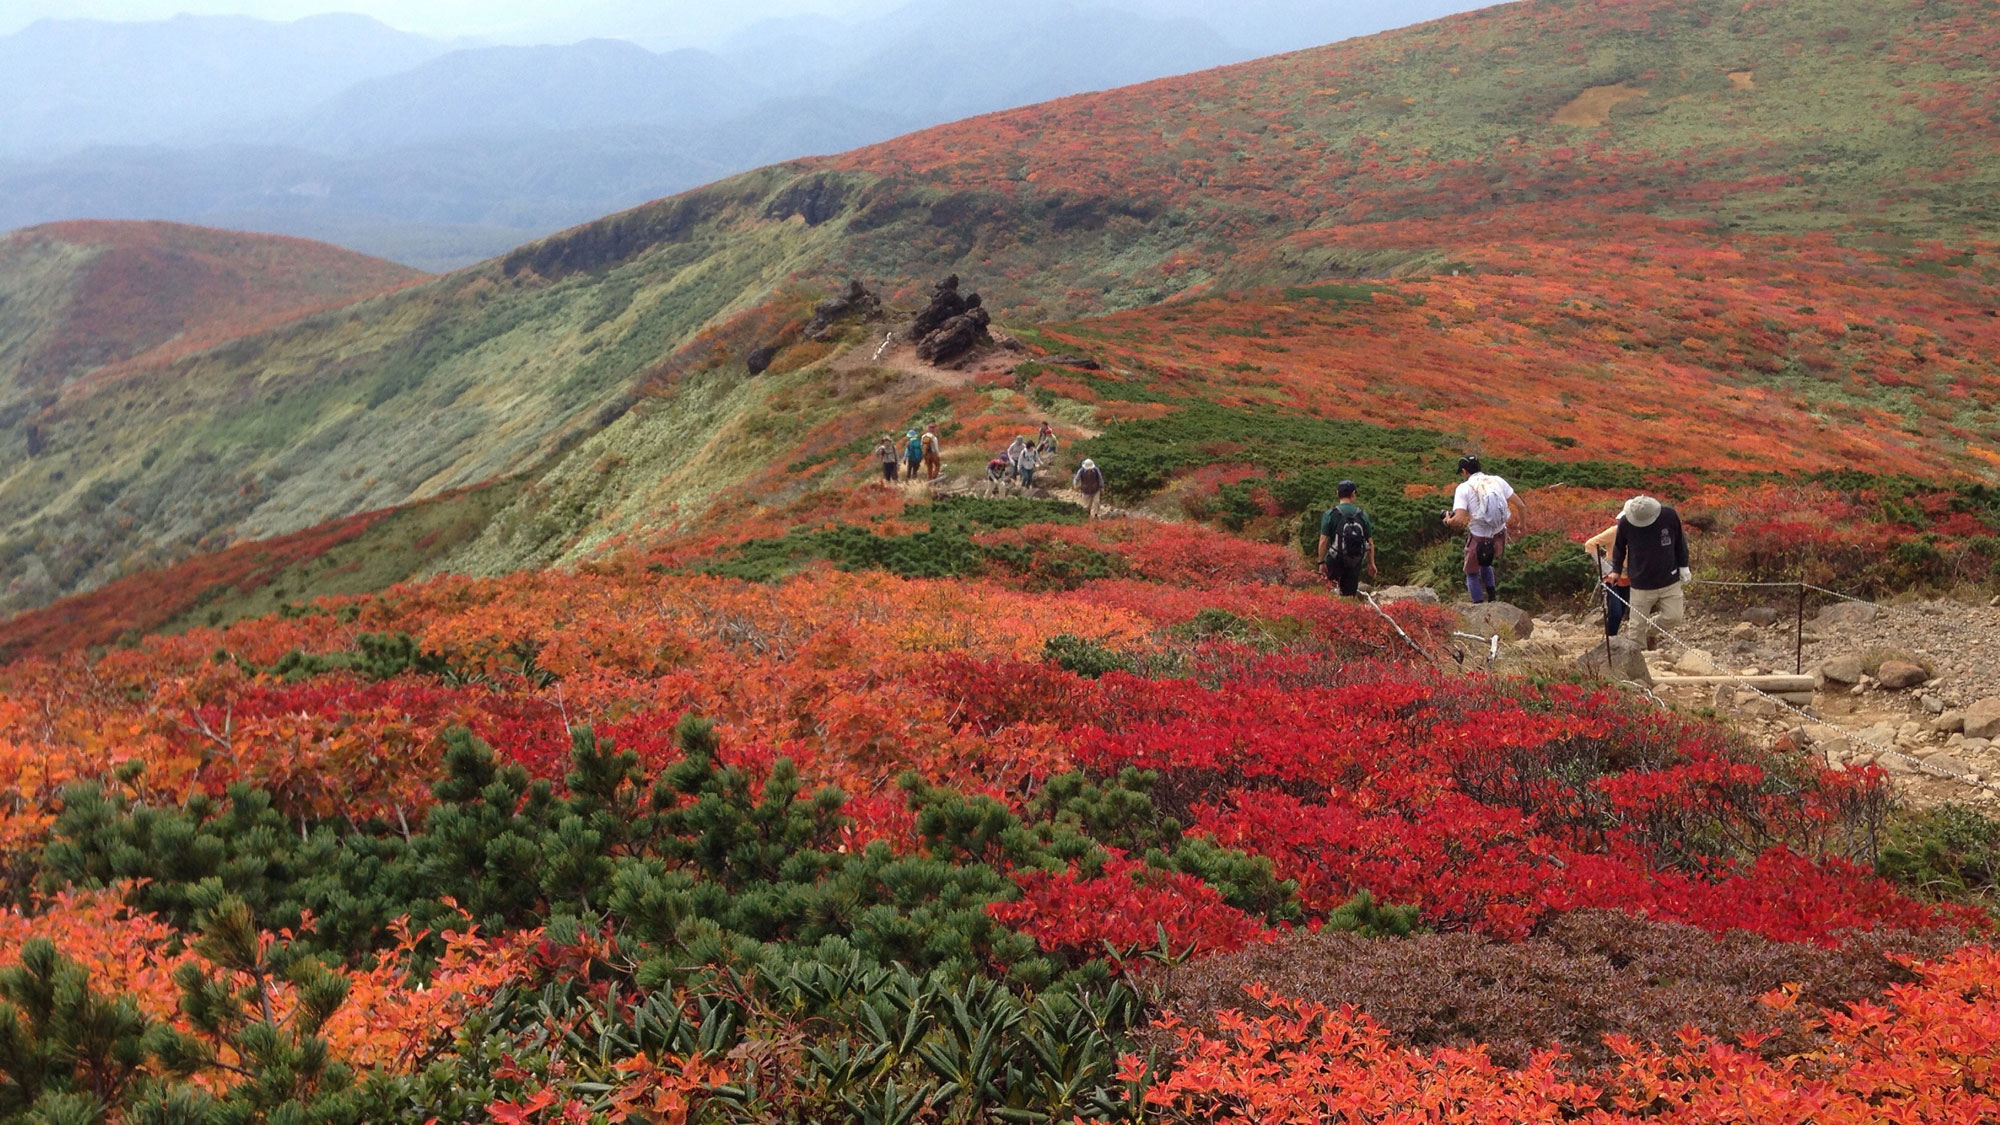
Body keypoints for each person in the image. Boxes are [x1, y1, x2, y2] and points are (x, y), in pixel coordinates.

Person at [1611, 494, 1691, 651]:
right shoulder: (1626, 522)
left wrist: (1684, 566)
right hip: (1640, 583)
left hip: (1669, 578)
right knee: (1636, 629)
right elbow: (1619, 547)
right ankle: (1638, 662)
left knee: (1674, 617)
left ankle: (1650, 631)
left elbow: (1679, 542)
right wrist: (1616, 570)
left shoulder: (1669, 515)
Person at [1443, 455, 1525, 604]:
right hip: (1499, 535)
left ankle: (1478, 606)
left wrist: (1448, 520)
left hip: (1479, 537)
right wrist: (1522, 526)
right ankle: (1492, 599)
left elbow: (1459, 519)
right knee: (1486, 563)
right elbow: (1521, 505)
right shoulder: (1497, 480)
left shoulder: (1464, 488)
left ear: (1464, 471)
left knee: (1471, 572)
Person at [1316, 480, 1378, 598]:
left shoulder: (1330, 514)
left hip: (1334, 560)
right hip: (1354, 561)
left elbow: (1323, 541)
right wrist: (1371, 563)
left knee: (1329, 594)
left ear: (1337, 493)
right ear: (1353, 494)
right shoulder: (1362, 514)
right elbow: (1370, 542)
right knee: (1348, 597)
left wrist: (1321, 562)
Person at [1582, 518, 1629, 638]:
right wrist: (1606, 568)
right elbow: (1590, 544)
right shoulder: (1614, 532)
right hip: (1612, 577)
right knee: (1616, 611)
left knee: (1623, 611)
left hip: (1630, 578)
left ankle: (1613, 638)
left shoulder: (1640, 533)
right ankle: (1610, 639)